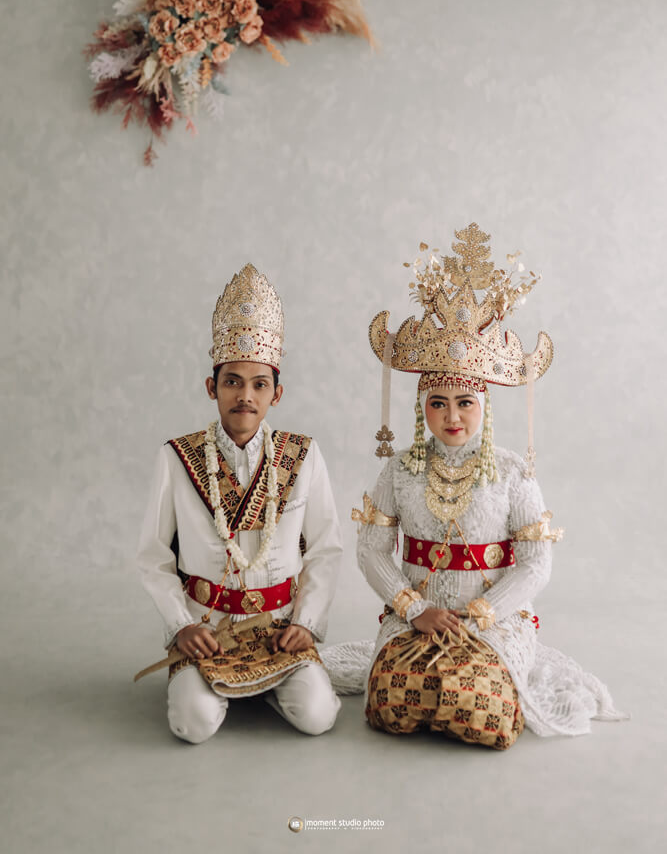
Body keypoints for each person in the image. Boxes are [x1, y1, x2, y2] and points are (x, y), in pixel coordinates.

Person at [353, 223, 623, 748]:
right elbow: (371, 550)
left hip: (492, 623)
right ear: (422, 409)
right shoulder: (400, 470)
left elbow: (535, 563)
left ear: (484, 406)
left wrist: (483, 614)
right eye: (438, 403)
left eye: (464, 403)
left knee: (478, 713)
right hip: (415, 619)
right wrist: (414, 611)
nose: (452, 416)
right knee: (391, 703)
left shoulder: (512, 472)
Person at [137, 263, 342, 743]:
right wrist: (181, 627)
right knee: (192, 725)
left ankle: (269, 685)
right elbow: (153, 556)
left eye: (259, 384)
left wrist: (306, 624)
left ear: (276, 393)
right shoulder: (177, 457)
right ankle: (222, 686)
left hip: (280, 627)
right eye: (232, 381)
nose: (245, 396)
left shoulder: (302, 455)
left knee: (318, 717)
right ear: (211, 387)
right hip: (207, 629)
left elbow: (326, 549)